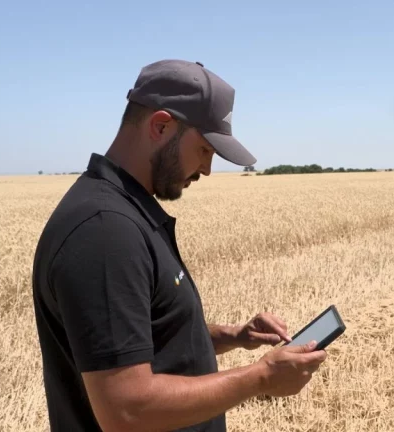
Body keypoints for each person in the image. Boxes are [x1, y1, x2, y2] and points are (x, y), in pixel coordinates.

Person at [31, 59, 328, 432]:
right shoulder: (106, 232)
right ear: (160, 126)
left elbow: (148, 339)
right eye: (205, 150)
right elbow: (126, 411)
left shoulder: (126, 213)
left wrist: (235, 336)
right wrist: (263, 377)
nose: (207, 170)